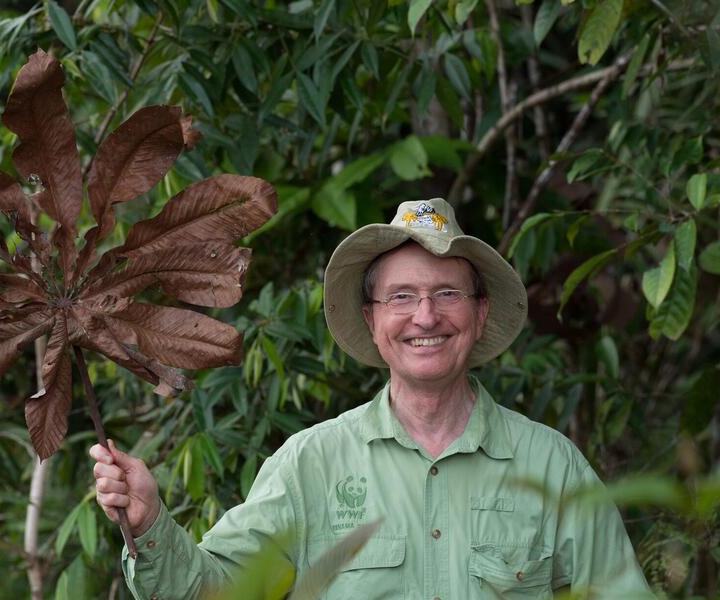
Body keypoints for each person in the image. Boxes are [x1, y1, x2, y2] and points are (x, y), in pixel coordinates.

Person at [90, 198, 653, 599]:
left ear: (479, 314)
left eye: (447, 293)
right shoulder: (310, 465)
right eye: (401, 296)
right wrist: (149, 524)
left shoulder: (551, 465)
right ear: (372, 318)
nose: (425, 316)